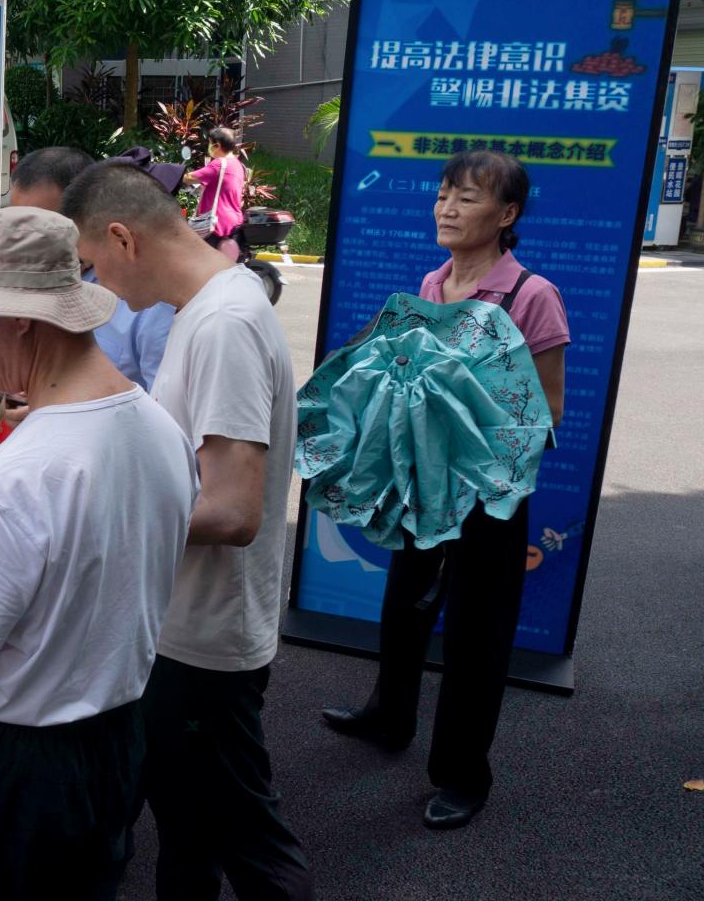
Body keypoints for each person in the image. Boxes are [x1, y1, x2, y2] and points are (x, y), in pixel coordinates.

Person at [0, 207, 197, 901]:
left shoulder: (14, 476)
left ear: (21, 322)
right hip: (116, 738)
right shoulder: (160, 427)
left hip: (14, 764)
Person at [64, 161, 312, 900]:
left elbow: (233, 510)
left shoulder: (224, 326)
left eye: (93, 264)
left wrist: (98, 522)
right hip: (181, 629)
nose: (98, 285)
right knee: (189, 833)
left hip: (203, 645)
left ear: (122, 238)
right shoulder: (212, 308)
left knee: (249, 840)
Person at [320, 150, 569, 829]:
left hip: (489, 498)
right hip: (421, 484)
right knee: (404, 607)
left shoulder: (529, 295)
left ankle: (463, 773)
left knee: (476, 637)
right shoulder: (432, 283)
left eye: (466, 198)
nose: (446, 208)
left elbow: (549, 408)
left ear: (507, 214)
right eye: (442, 195)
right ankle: (388, 716)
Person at [7, 146, 176, 393]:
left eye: (45, 226)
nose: (30, 242)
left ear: (85, 212)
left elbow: (165, 411)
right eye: (20, 226)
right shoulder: (21, 283)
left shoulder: (142, 297)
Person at [183, 127, 248, 261]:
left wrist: (173, 174)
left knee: (199, 262)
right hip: (233, 220)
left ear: (217, 145)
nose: (209, 146)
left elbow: (189, 178)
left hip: (216, 223)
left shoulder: (219, 164)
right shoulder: (238, 165)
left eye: (210, 143)